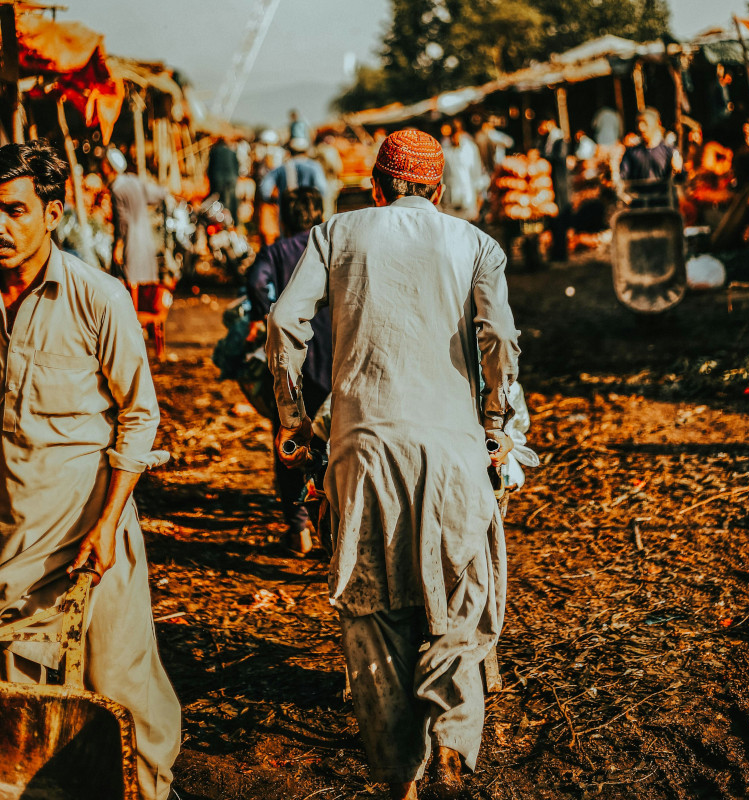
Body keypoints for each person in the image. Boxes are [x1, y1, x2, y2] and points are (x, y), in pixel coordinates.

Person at [266, 129, 519, 800]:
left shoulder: (336, 235)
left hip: (362, 449)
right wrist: (497, 425)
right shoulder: (476, 245)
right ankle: (454, 744)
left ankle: (398, 784)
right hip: (454, 451)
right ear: (437, 191)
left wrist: (295, 423)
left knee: (372, 613)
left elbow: (283, 324)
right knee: (460, 604)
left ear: (376, 189)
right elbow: (500, 339)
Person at [0, 141, 180, 799]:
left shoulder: (96, 299)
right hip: (10, 540)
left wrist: (107, 525)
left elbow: (139, 416)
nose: (0, 228)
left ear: (52, 213)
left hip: (88, 538)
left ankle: (152, 792)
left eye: (14, 211)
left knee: (123, 684)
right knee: (23, 704)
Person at [246, 187, 331, 555]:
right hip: (335, 361)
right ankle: (331, 521)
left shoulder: (276, 252)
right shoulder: (331, 251)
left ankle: (299, 528)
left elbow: (254, 281)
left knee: (290, 440)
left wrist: (269, 311)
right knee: (332, 443)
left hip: (294, 365)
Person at [101, 147, 167, 286]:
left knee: (129, 281)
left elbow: (122, 220)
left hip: (130, 241)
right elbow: (159, 194)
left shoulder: (117, 189)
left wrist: (119, 245)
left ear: (109, 167)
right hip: (145, 238)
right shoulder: (134, 181)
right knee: (146, 283)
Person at [258, 137, 327, 245]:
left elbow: (264, 189)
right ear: (305, 151)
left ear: (290, 151)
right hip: (309, 212)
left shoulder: (282, 168)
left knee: (287, 243)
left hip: (287, 211)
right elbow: (322, 189)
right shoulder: (314, 167)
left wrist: (274, 199)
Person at [619, 108, 683, 183]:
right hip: (638, 194)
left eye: (645, 123)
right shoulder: (631, 152)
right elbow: (622, 178)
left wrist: (678, 170)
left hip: (663, 194)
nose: (640, 128)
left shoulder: (670, 150)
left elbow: (680, 180)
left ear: (658, 123)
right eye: (638, 123)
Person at [539, 116, 571, 261]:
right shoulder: (548, 139)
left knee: (561, 219)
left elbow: (559, 157)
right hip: (553, 184)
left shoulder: (560, 139)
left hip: (561, 184)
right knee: (554, 220)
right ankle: (556, 252)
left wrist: (546, 157)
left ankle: (561, 253)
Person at [440, 118, 485, 221]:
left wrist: (478, 204)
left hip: (467, 202)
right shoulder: (445, 150)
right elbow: (442, 177)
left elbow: (477, 175)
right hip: (449, 204)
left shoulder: (470, 148)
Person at [207, 137, 241, 225]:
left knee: (219, 202)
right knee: (231, 201)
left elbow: (210, 168)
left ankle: (220, 222)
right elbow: (236, 167)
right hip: (231, 179)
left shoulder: (214, 151)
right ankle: (233, 223)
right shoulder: (232, 152)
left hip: (218, 180)